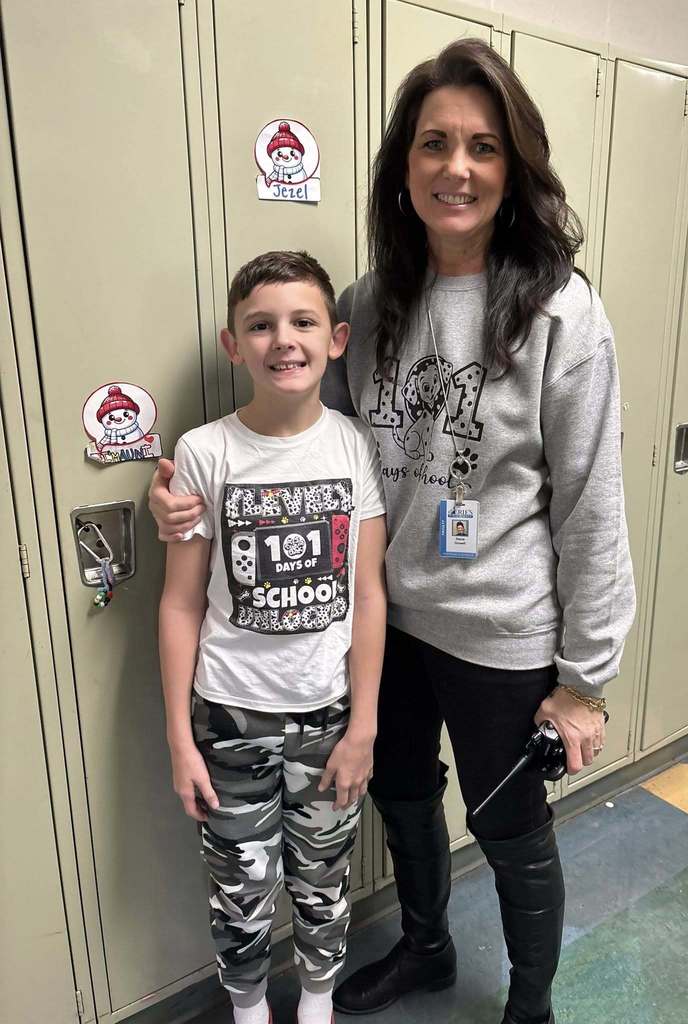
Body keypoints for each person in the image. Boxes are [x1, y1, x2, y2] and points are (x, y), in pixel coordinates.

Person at [151, 40, 635, 1024]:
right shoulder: (371, 305)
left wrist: (585, 677)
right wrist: (181, 500)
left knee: (507, 825)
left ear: (515, 168)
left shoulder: (558, 311)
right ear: (404, 167)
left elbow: (591, 493)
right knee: (403, 798)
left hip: (500, 630)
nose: (457, 167)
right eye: (434, 144)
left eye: (484, 147)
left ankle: (530, 1005)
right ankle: (426, 949)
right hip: (389, 624)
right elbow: (298, 445)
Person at [158, 250, 387, 1024]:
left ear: (337, 338)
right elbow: (181, 604)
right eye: (260, 325)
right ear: (233, 344)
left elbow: (369, 594)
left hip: (328, 722)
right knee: (241, 893)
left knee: (323, 888)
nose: (282, 340)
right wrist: (180, 740)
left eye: (302, 322)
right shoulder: (204, 452)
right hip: (229, 722)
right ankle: (250, 1012)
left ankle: (316, 1007)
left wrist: (364, 725)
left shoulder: (354, 447)